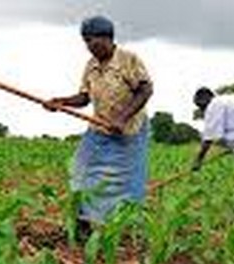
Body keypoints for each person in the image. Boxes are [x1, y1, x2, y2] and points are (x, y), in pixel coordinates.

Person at [44, 15, 153, 234]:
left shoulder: (128, 59)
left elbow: (145, 90)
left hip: (129, 133)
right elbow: (84, 98)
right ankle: (82, 223)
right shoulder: (91, 66)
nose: (89, 47)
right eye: (86, 42)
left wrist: (122, 118)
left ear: (107, 38)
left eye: (92, 41)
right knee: (80, 171)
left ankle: (126, 227)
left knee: (125, 182)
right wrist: (61, 102)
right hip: (99, 130)